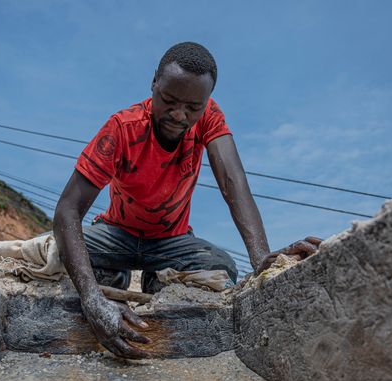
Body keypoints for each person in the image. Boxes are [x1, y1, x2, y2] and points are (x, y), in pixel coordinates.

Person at [54, 42, 320, 359]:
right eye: (168, 101)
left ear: (205, 102)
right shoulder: (123, 128)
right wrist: (90, 297)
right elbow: (67, 210)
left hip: (171, 240)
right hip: (117, 234)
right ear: (154, 83)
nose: (179, 115)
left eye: (193, 107)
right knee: (62, 252)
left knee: (221, 265)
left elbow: (232, 181)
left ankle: (157, 279)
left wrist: (261, 258)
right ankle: (114, 279)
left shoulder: (209, 116)